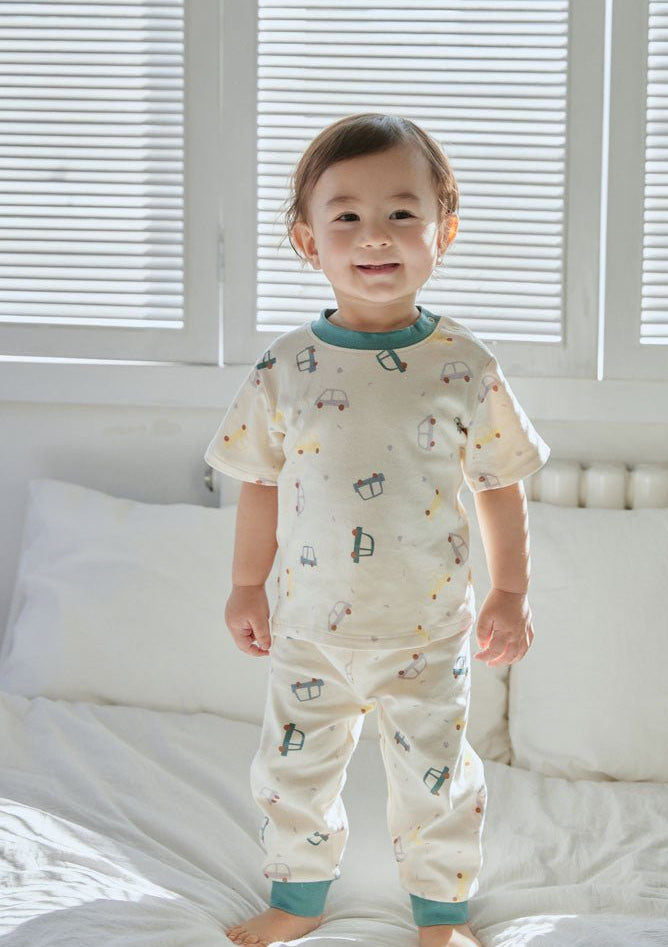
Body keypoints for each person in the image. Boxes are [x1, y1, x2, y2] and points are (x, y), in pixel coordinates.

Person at [204, 113, 549, 947]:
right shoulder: (285, 367)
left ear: (444, 232)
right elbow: (259, 485)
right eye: (346, 216)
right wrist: (247, 584)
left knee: (437, 783)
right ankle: (299, 901)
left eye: (402, 213)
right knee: (292, 773)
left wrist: (510, 591)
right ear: (307, 239)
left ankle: (441, 917)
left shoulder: (464, 365)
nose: (375, 236)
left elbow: (500, 486)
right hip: (311, 630)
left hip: (427, 634)